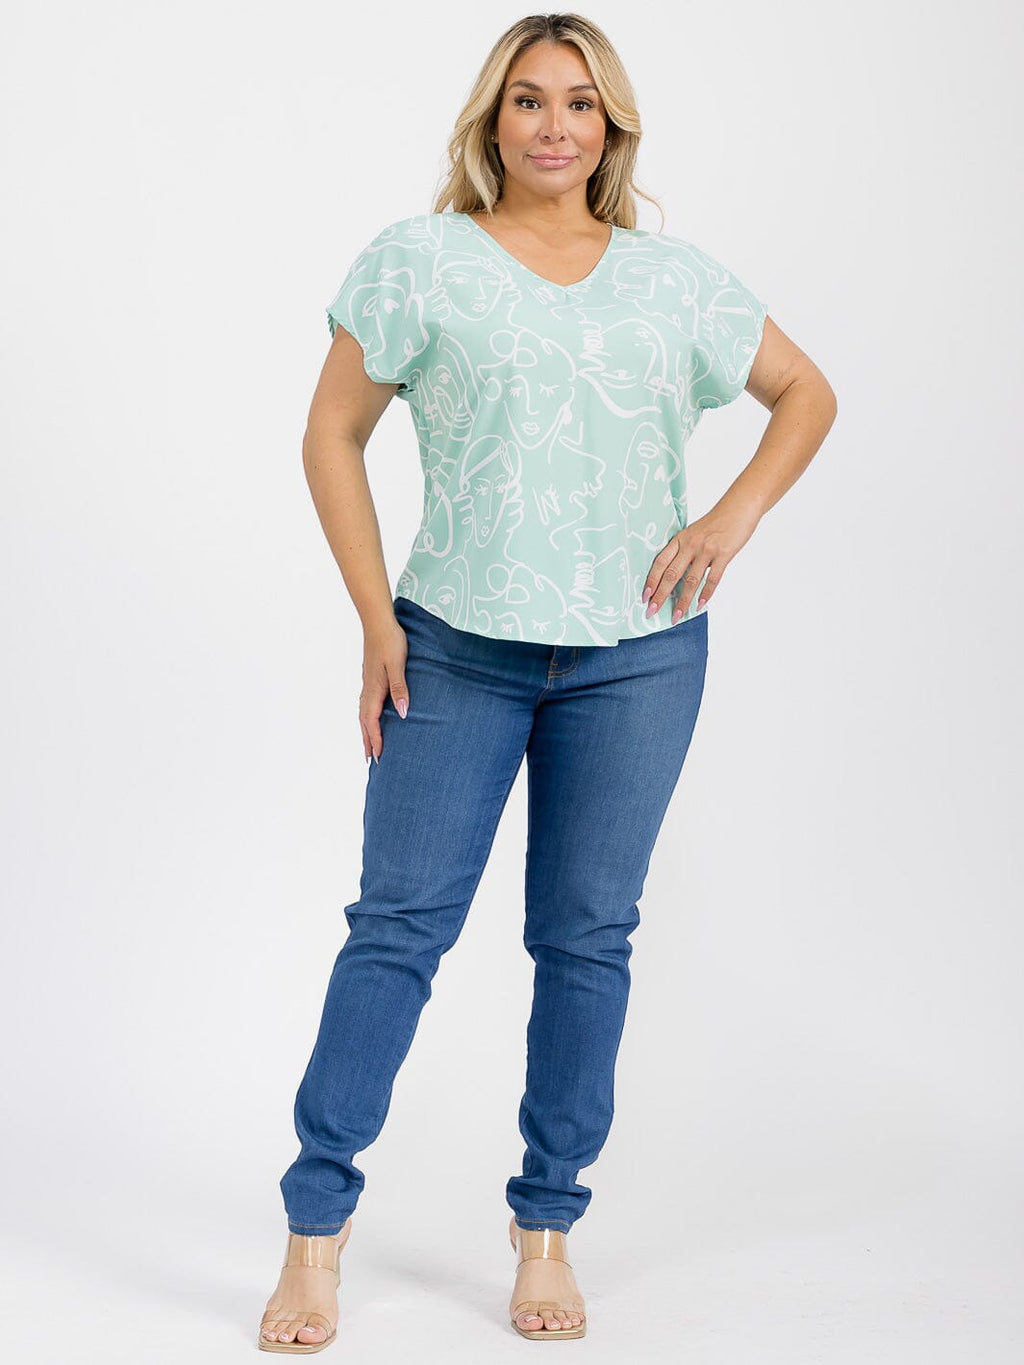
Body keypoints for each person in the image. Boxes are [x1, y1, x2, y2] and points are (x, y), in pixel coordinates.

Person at [257, 10, 837, 1354]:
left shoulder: (674, 280)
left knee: (586, 939)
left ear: (611, 127)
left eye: (581, 102)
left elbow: (805, 392)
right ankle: (313, 1230)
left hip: (639, 656)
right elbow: (332, 432)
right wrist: (374, 620)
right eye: (529, 99)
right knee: (398, 929)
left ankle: (547, 1227)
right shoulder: (419, 260)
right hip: (454, 644)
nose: (555, 124)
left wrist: (732, 515)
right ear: (492, 119)